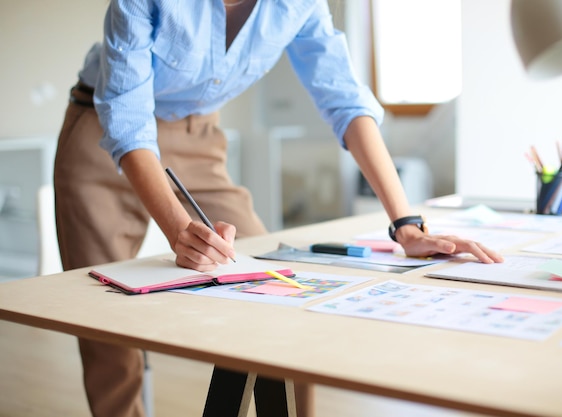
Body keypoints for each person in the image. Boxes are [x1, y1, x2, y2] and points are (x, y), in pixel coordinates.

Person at [54, 0, 504, 416]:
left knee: (274, 287)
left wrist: (407, 225)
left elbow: (344, 99)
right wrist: (177, 229)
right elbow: (128, 121)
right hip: (104, 134)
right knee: (103, 325)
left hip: (197, 135)